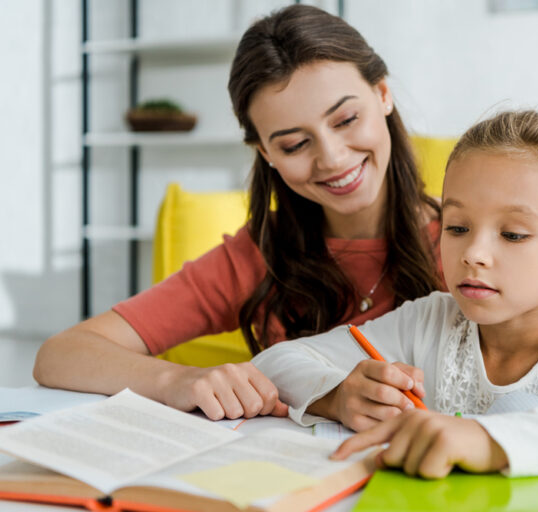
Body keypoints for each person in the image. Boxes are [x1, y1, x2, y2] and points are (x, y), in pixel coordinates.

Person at [251, 110, 538, 478]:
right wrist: (337, 395)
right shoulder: (428, 321)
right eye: (457, 227)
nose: (473, 253)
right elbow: (274, 362)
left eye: (513, 234)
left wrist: (484, 439)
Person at [33, 5, 442, 422]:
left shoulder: (471, 242)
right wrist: (177, 381)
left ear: (383, 94)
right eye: (294, 144)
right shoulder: (260, 255)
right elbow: (60, 354)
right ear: (266, 153)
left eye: (347, 119)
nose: (332, 158)